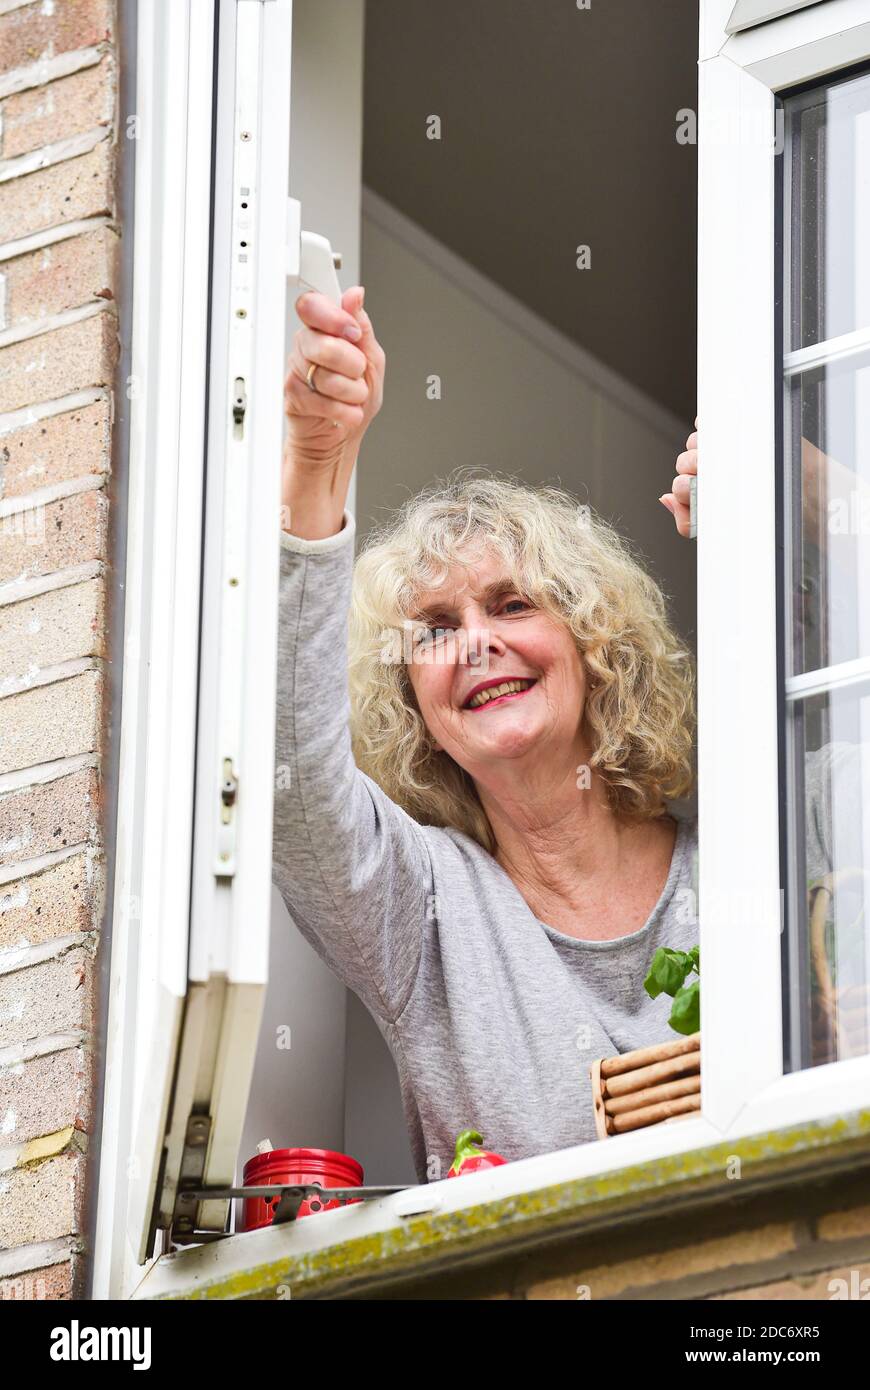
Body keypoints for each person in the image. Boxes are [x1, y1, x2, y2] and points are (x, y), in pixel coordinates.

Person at [273, 286, 863, 1182]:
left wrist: (804, 487)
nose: (476, 641)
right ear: (416, 709)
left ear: (595, 648)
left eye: (512, 604)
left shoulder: (775, 843)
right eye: (434, 628)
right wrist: (316, 464)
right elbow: (291, 784)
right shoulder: (422, 910)